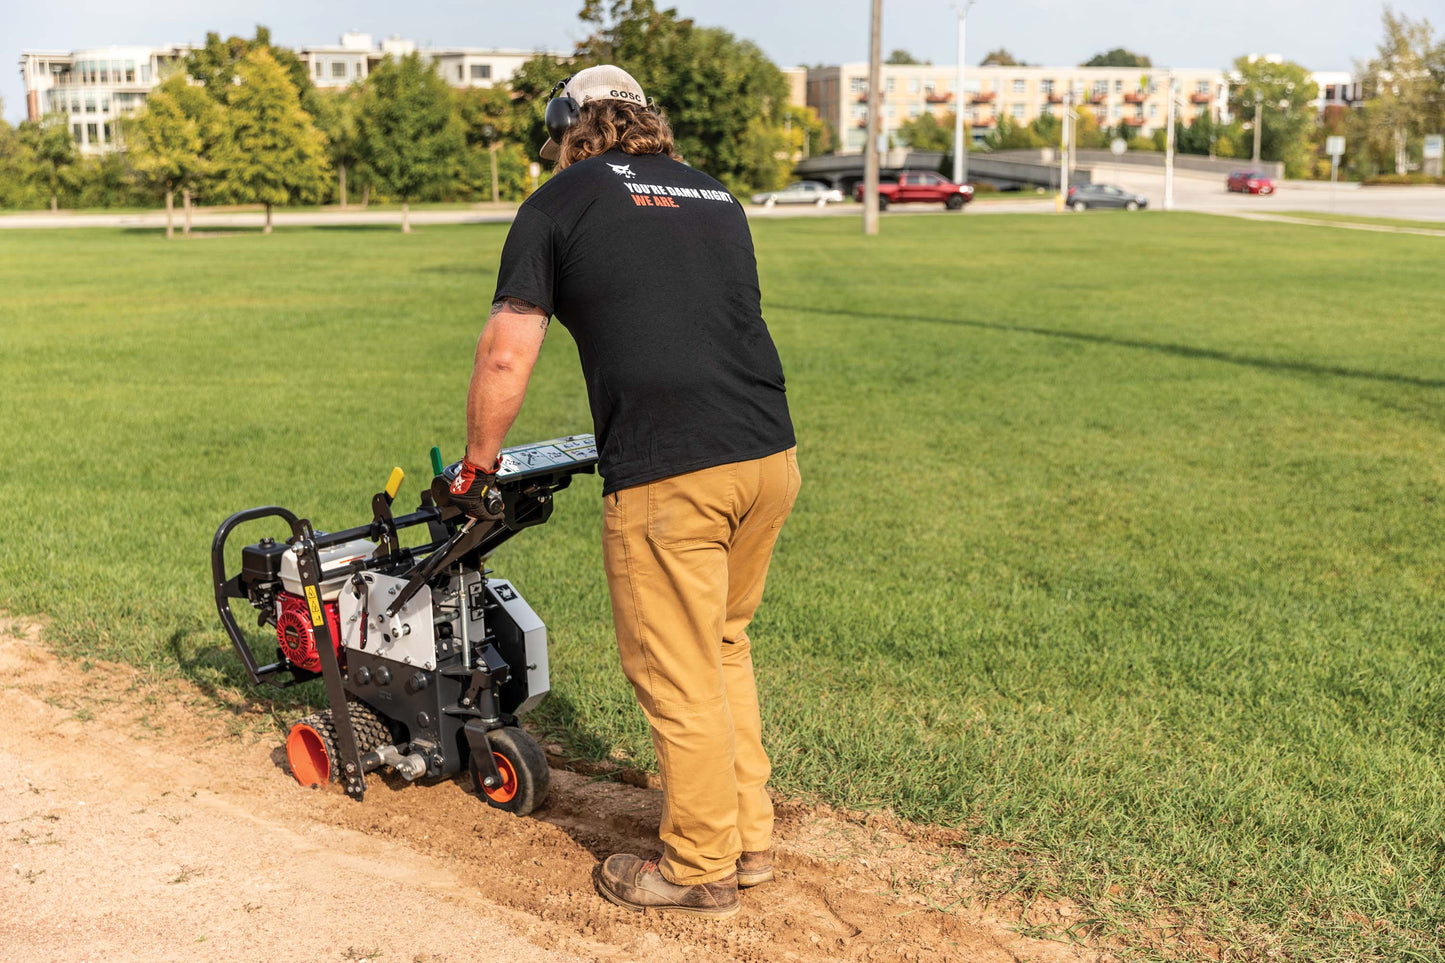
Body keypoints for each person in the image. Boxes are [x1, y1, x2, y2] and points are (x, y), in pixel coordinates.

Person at [447, 65, 799, 920]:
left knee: (675, 674)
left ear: (572, 130)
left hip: (671, 471)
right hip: (767, 456)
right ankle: (747, 840)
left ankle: (698, 865)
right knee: (721, 648)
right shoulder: (713, 194)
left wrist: (474, 466)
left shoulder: (560, 201)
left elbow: (506, 351)